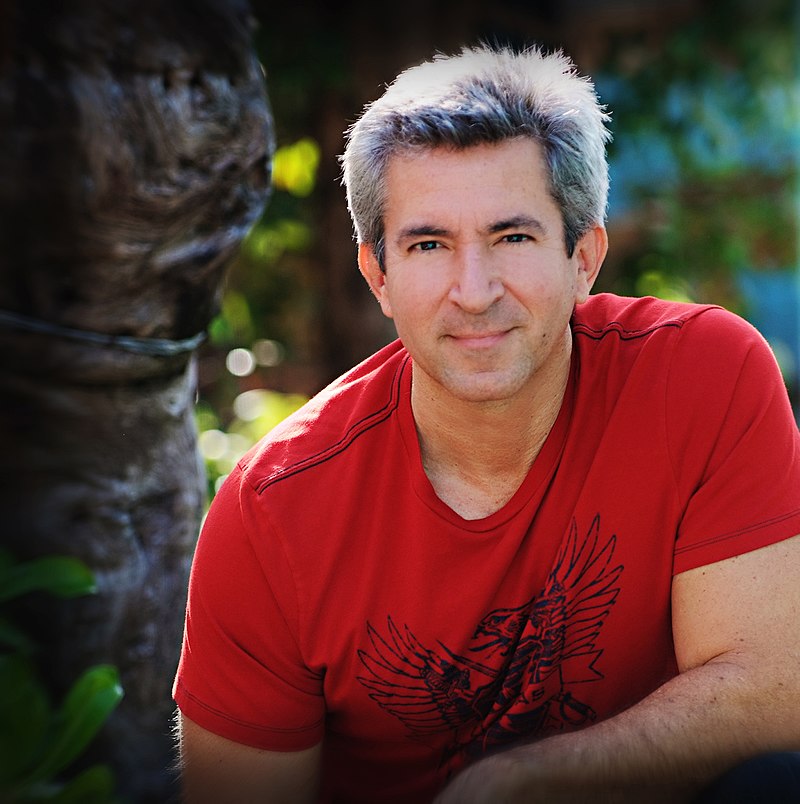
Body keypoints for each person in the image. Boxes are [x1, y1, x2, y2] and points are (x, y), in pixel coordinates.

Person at [172, 44, 800, 803]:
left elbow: (771, 693)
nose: (474, 292)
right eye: (429, 245)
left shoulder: (701, 377)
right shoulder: (272, 513)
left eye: (512, 237)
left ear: (584, 256)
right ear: (378, 276)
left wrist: (523, 781)